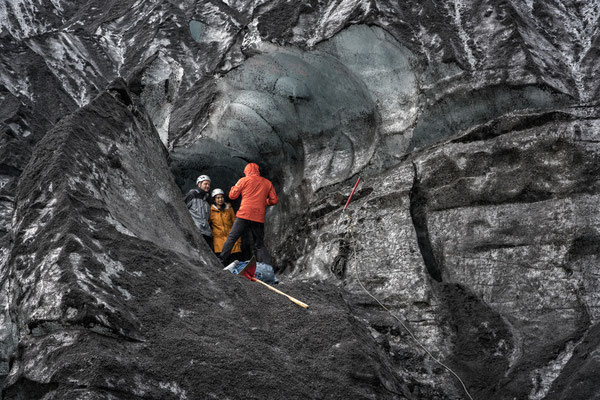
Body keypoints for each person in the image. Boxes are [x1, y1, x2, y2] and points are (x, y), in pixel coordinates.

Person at [218, 163, 278, 266]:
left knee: (232, 238)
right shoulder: (267, 183)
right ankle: (267, 268)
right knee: (259, 244)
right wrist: (263, 202)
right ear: (258, 171)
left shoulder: (243, 180)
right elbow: (274, 200)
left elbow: (232, 196)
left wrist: (235, 185)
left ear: (246, 171)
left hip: (244, 215)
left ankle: (221, 262)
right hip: (258, 217)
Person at [209, 188, 242, 263]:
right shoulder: (211, 211)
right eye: (218, 198)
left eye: (221, 197)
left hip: (231, 240)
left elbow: (235, 224)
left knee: (234, 262)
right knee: (224, 263)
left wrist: (239, 240)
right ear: (214, 199)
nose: (220, 199)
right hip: (219, 242)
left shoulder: (229, 208)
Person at [184, 175, 212, 246]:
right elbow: (182, 208)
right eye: (205, 184)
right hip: (195, 230)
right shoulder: (192, 194)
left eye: (209, 184)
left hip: (206, 232)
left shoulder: (207, 199)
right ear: (199, 184)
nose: (208, 186)